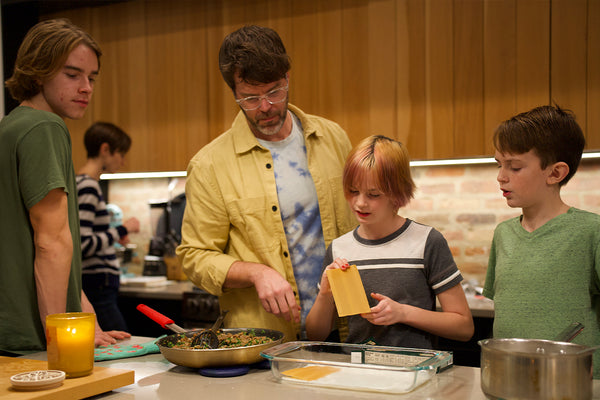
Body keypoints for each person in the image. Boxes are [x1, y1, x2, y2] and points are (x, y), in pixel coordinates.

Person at [177, 25, 356, 341]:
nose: (265, 107)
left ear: (287, 78)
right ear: (234, 93)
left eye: (274, 91)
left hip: (345, 329)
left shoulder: (333, 138)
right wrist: (256, 273)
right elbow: (195, 256)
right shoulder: (209, 165)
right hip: (264, 339)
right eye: (250, 98)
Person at [0, 18, 129, 354]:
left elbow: (54, 250)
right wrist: (61, 337)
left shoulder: (11, 127)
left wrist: (88, 319)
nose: (86, 87)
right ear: (38, 72)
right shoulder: (45, 127)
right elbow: (51, 243)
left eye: (92, 78)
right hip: (33, 338)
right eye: (72, 75)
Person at [306, 135, 474, 348]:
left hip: (414, 373)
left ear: (398, 193)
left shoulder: (427, 241)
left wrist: (403, 312)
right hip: (356, 371)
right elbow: (315, 335)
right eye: (353, 191)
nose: (360, 203)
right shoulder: (339, 248)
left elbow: (463, 327)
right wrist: (325, 294)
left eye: (373, 194)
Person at [482, 105, 600, 378]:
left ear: (555, 173)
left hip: (573, 383)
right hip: (508, 379)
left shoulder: (590, 232)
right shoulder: (503, 234)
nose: (501, 176)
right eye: (499, 164)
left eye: (515, 166)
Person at [77, 122, 140, 332]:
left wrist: (112, 236)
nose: (123, 161)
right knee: (121, 345)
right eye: (120, 154)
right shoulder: (88, 186)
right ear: (105, 150)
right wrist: (123, 230)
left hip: (97, 283)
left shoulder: (80, 183)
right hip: (98, 284)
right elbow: (83, 243)